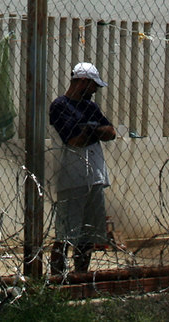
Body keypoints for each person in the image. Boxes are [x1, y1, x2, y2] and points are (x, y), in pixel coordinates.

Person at [48, 62, 116, 278]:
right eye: (93, 85)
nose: (95, 90)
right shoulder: (60, 106)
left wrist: (91, 130)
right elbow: (75, 140)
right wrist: (95, 131)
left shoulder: (91, 107)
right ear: (83, 82)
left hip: (95, 177)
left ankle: (81, 277)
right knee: (65, 234)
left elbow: (111, 132)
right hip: (72, 178)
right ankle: (58, 279)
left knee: (87, 236)